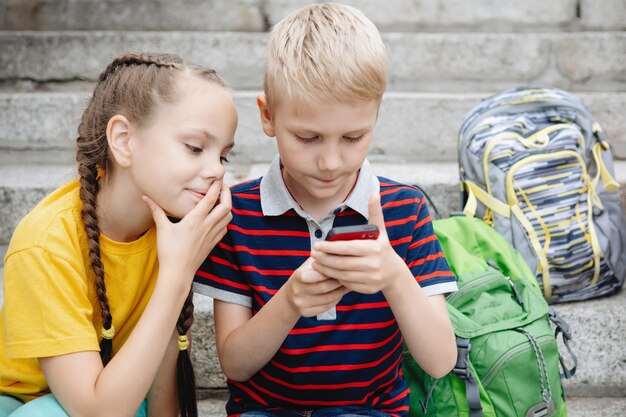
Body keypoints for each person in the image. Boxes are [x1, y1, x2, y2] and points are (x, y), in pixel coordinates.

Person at [193, 3, 458, 416]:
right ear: (268, 117)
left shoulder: (404, 211)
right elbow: (235, 364)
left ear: (375, 118)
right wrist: (291, 301)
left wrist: (392, 273)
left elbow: (441, 360)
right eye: (309, 137)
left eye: (353, 137)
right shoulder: (237, 215)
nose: (331, 161)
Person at [0, 52, 237, 417]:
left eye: (223, 157)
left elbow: (161, 379)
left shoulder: (177, 227)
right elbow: (96, 412)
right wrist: (177, 273)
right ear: (124, 140)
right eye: (194, 148)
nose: (215, 171)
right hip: (25, 402)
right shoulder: (46, 244)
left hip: (117, 392)